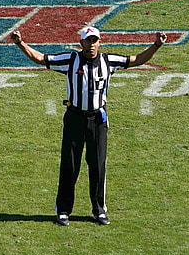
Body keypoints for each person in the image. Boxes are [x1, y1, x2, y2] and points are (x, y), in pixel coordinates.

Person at [9, 26, 167, 226]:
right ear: (81, 43)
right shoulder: (70, 60)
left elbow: (136, 60)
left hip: (98, 120)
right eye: (88, 41)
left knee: (98, 165)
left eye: (94, 41)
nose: (91, 44)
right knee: (70, 165)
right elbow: (41, 58)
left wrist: (156, 45)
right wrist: (20, 43)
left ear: (100, 42)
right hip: (74, 117)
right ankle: (63, 210)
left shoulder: (108, 61)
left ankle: (99, 210)